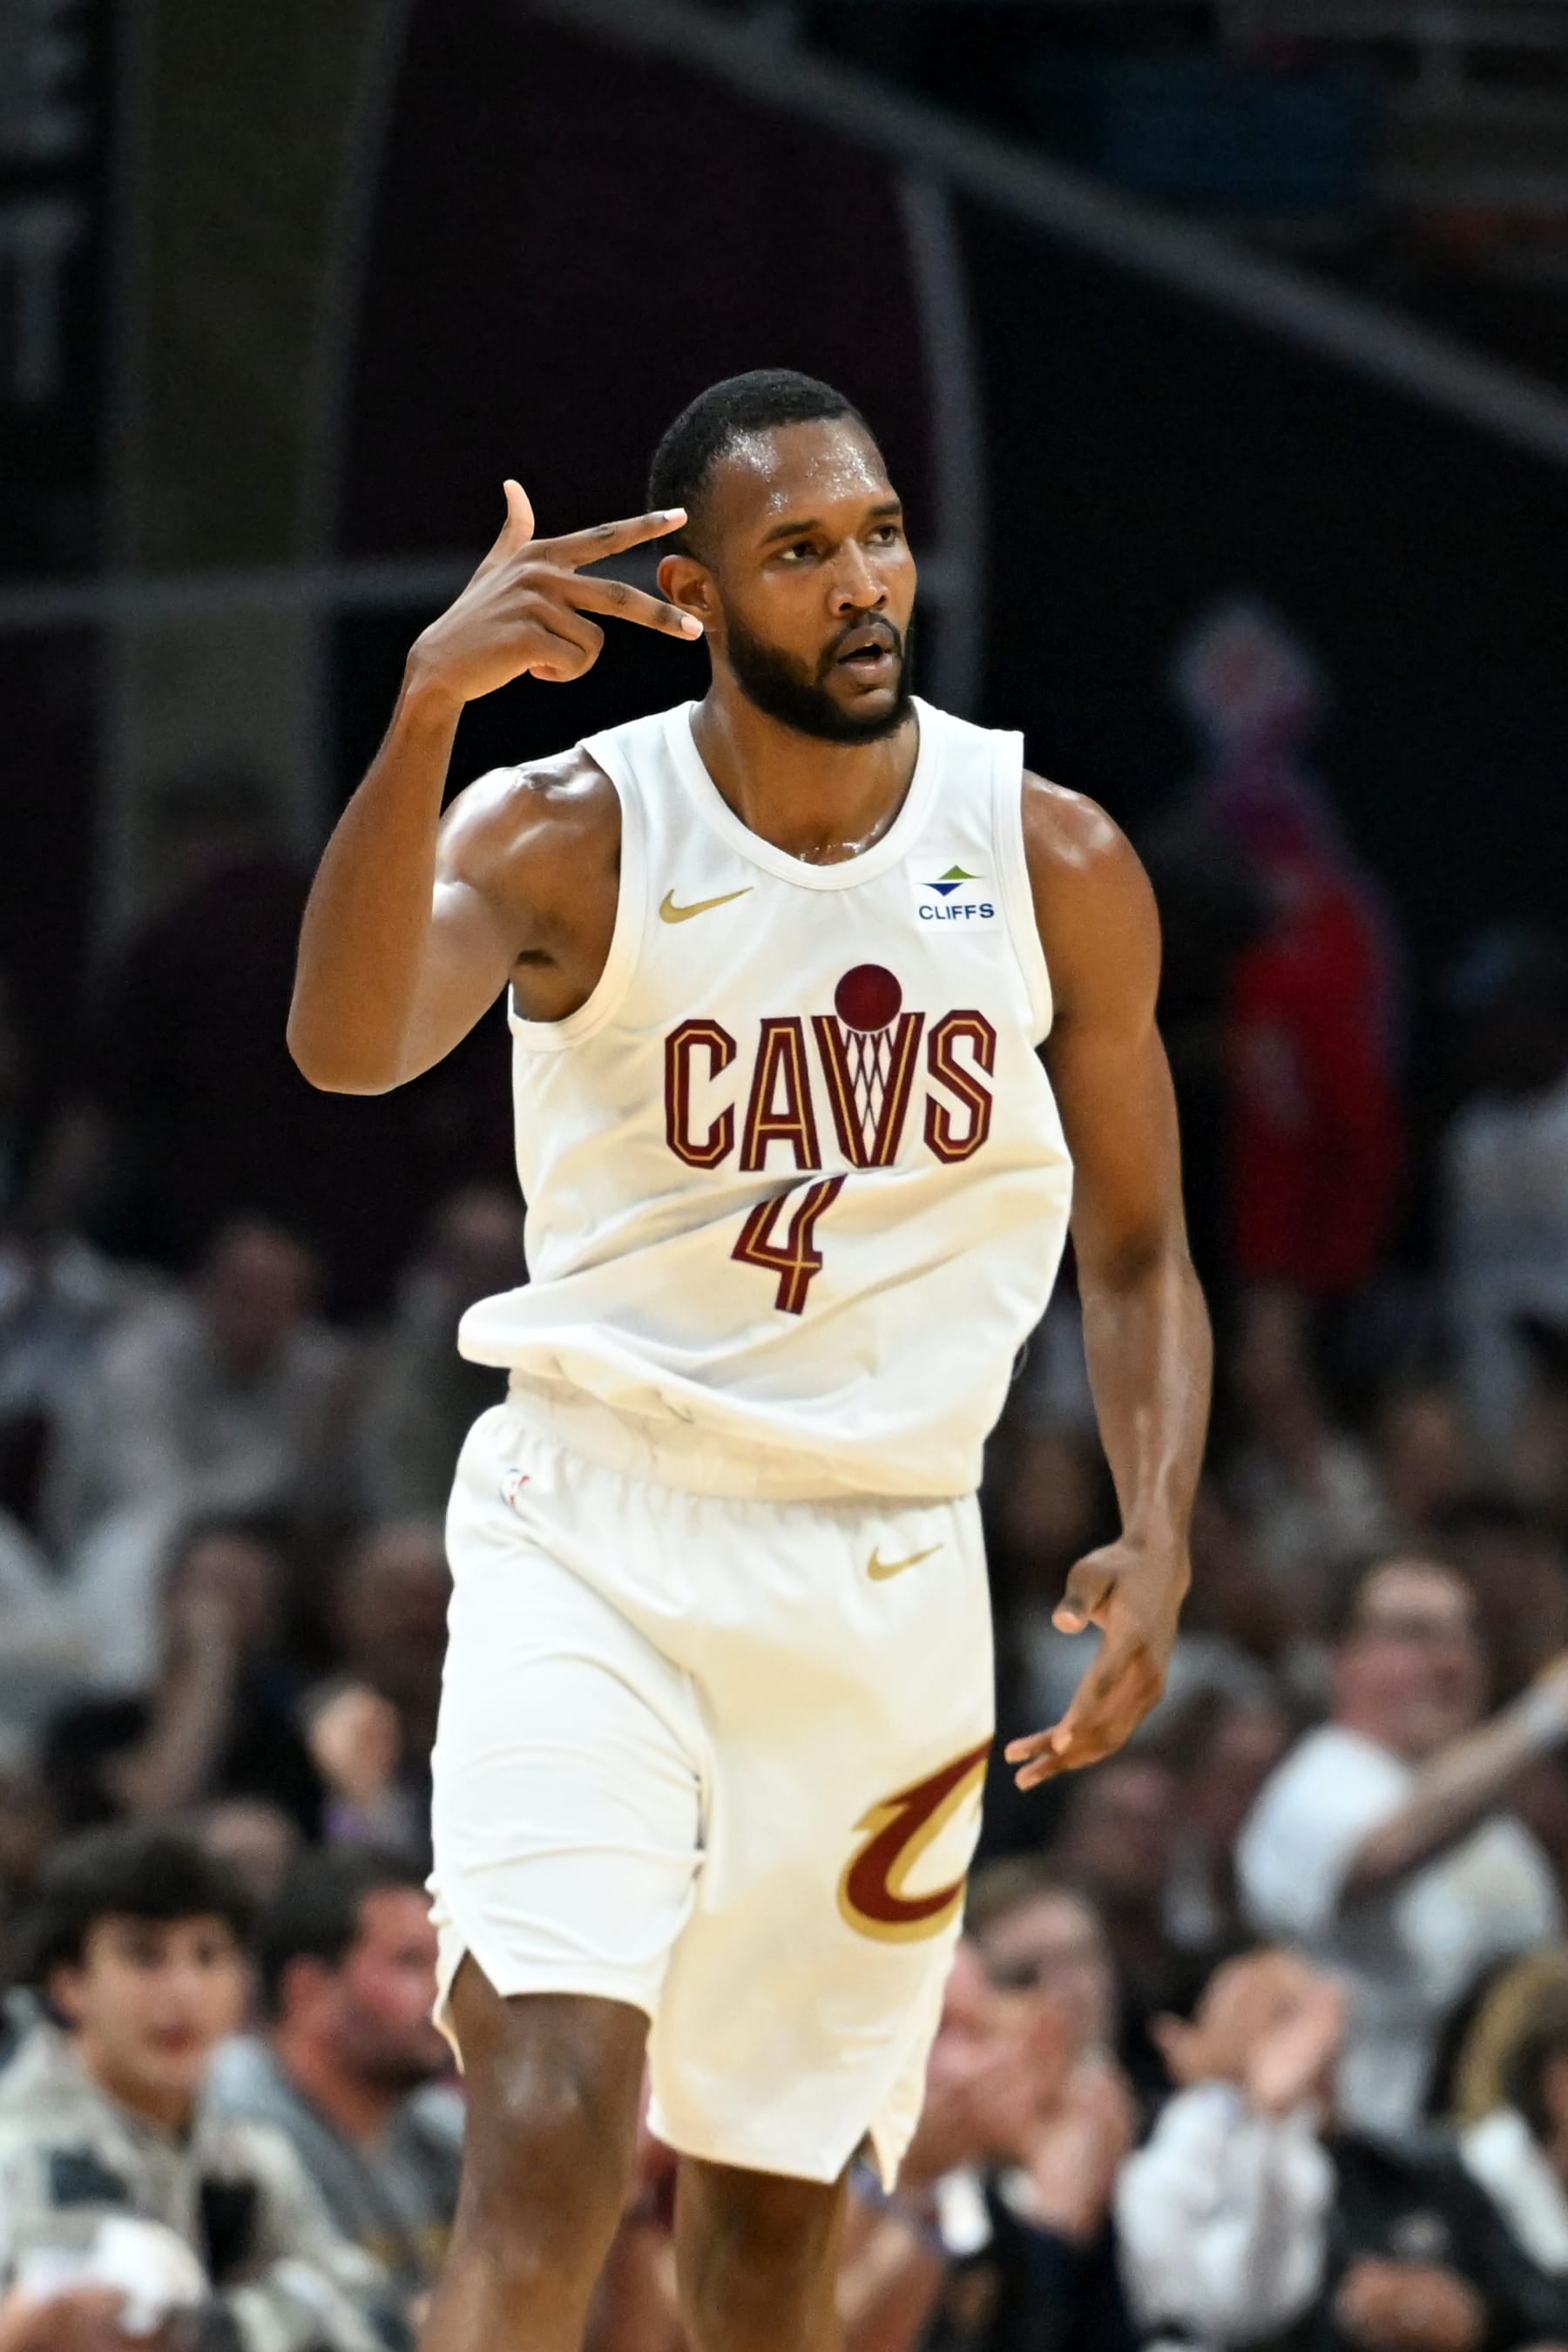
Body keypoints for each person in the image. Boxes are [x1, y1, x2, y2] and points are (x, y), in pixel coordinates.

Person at [287, 367, 1210, 2352]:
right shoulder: (565, 827)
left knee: (772, 2217)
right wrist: (427, 709)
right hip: (593, 1525)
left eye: (875, 532)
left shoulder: (1050, 853)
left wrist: (1159, 1524)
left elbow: (1138, 1249)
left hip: (882, 1567)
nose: (863, 581)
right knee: (547, 2113)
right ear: (696, 596)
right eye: (800, 551)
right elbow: (350, 1045)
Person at [0, 1823, 387, 2352]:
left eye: (208, 1956)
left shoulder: (246, 2154)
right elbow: (137, 2333)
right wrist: (295, 2299)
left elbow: (373, 2311)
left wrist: (223, 2322)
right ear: (70, 1984)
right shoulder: (32, 2153)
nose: (183, 1991)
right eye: (145, 1957)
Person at [1238, 1556, 1566, 2139]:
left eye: (1467, 1635)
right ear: (1342, 1659)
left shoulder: (1492, 1820)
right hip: (1356, 2156)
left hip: (1493, 2157)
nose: (1450, 1661)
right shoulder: (1318, 1783)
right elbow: (1390, 1849)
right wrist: (1545, 1715)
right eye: (1415, 1635)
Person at [1119, 1946, 1546, 2352]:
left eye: (1305, 2015)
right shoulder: (1179, 2177)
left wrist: (1478, 2319)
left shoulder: (1418, 2174)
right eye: (1269, 2020)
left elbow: (1543, 2305)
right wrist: (1268, 2119)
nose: (1303, 2047)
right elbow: (1227, 2312)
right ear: (1205, 2052)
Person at [211, 1848, 460, 2321]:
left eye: (445, 1963)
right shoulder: (232, 2132)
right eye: (410, 1963)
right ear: (309, 1991)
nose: (445, 1994)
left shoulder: (443, 2128)